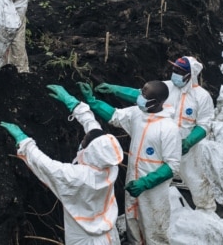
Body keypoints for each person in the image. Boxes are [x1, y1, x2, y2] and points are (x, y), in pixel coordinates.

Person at [0, 86, 124, 245]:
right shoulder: (109, 164)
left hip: (87, 240)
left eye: (84, 144)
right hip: (110, 234)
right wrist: (76, 106)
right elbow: (95, 132)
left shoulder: (77, 177)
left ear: (90, 153)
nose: (82, 144)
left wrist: (24, 141)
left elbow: (46, 165)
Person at [93, 56, 217, 214]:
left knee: (196, 179)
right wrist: (115, 89)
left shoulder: (202, 97)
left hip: (187, 150)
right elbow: (141, 95)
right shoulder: (166, 87)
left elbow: (204, 124)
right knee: (158, 182)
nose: (175, 73)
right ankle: (155, 215)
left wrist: (188, 142)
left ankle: (207, 210)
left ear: (190, 74)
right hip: (161, 145)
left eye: (179, 71)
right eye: (174, 69)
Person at [71, 80, 181, 245]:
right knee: (132, 219)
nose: (140, 97)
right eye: (141, 92)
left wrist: (145, 182)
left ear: (157, 102)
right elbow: (114, 115)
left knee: (154, 228)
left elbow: (172, 166)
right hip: (132, 180)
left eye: (144, 95)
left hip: (153, 190)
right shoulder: (138, 113)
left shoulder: (169, 128)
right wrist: (92, 101)